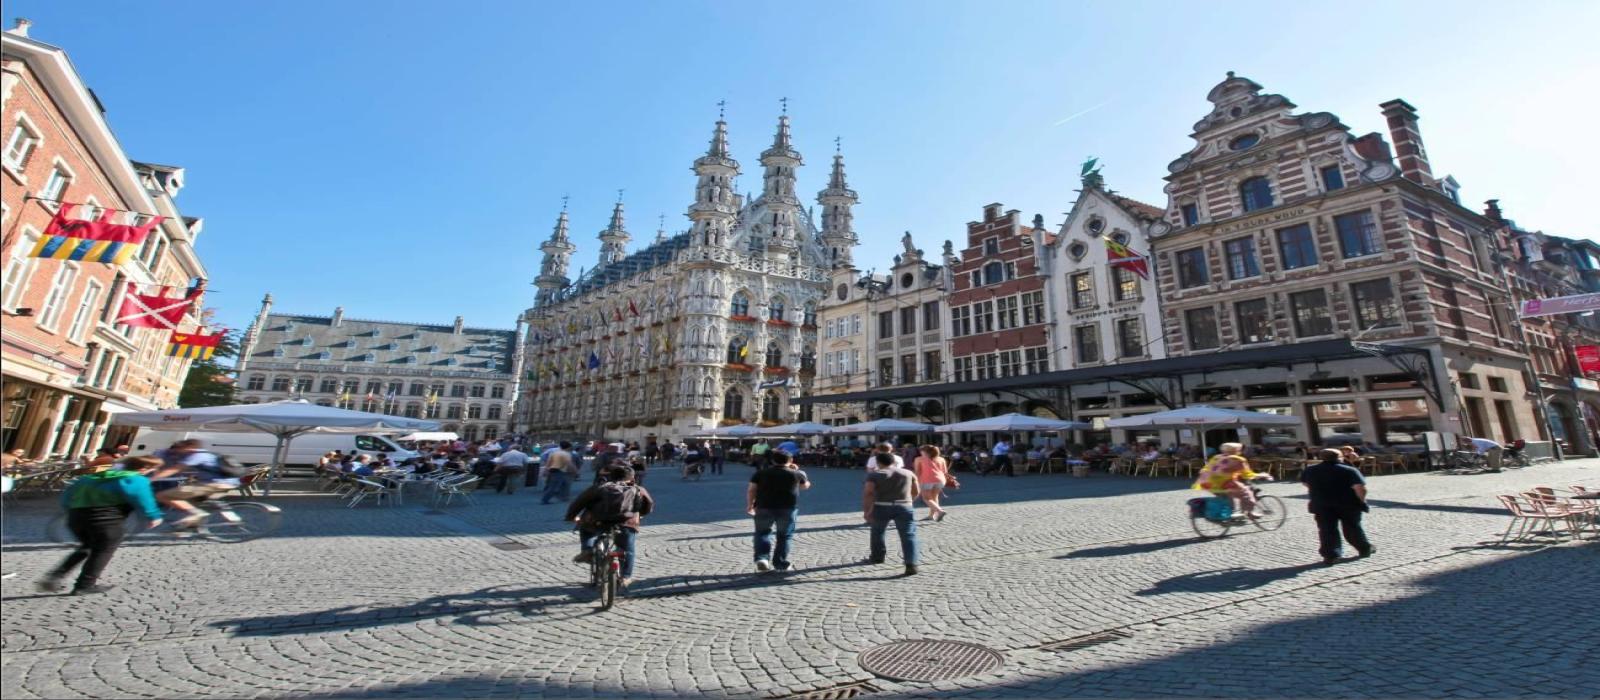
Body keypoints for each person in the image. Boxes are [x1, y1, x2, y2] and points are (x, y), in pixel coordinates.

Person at [38, 456, 165, 595]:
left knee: (87, 546)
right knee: (103, 550)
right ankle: (85, 585)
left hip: (76, 517)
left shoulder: (90, 478)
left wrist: (71, 511)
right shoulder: (135, 480)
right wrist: (153, 516)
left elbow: (66, 497)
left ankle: (55, 576)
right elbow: (142, 498)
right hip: (107, 519)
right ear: (144, 468)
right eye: (153, 469)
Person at [567, 464, 654, 588]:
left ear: (611, 476)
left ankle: (587, 550)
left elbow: (579, 502)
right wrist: (640, 515)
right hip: (626, 523)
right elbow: (649, 505)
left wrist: (572, 517)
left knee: (586, 530)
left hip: (598, 521)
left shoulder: (599, 487)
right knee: (628, 549)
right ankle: (625, 577)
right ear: (632, 478)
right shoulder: (638, 489)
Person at [1301, 448, 1373, 565]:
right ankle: (1364, 549)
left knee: (1327, 530)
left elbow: (1305, 483)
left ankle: (1331, 555)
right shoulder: (1349, 470)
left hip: (1321, 504)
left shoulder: (1310, 470)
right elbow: (1360, 488)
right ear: (1339, 457)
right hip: (1347, 503)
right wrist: (1362, 501)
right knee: (1353, 528)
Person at [150, 440, 238, 529]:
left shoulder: (197, 456)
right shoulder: (209, 453)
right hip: (230, 482)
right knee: (193, 501)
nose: (178, 452)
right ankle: (193, 524)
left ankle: (198, 514)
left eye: (180, 448)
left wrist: (151, 479)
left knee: (162, 496)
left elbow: (175, 469)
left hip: (214, 484)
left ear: (188, 447)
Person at [747, 450, 811, 573]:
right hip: (788, 508)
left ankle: (762, 559)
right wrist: (800, 472)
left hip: (763, 507)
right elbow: (805, 486)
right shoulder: (796, 474)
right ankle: (780, 563)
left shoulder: (761, 473)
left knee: (762, 533)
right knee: (784, 536)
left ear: (772, 460)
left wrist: (750, 504)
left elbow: (751, 489)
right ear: (790, 460)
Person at [862, 452, 921, 575]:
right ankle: (911, 563)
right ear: (894, 461)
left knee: (878, 532)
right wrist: (909, 501)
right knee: (908, 535)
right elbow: (916, 491)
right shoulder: (908, 473)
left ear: (878, 463)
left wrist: (867, 511)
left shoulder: (874, 475)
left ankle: (877, 557)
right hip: (904, 506)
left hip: (881, 506)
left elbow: (869, 493)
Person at [1192, 454, 1269, 520]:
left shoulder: (1217, 457)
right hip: (1223, 485)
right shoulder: (1237, 459)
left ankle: (1234, 514)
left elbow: (1206, 469)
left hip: (1209, 484)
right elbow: (1247, 474)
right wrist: (1262, 475)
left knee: (1230, 496)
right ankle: (1247, 513)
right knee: (1246, 494)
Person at [914, 445, 954, 522]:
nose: (920, 452)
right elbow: (945, 471)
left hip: (926, 480)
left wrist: (915, 481)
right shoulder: (941, 459)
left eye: (921, 451)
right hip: (940, 480)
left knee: (926, 498)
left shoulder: (919, 459)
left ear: (925, 451)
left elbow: (917, 471)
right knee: (934, 497)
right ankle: (931, 516)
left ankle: (939, 511)